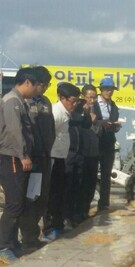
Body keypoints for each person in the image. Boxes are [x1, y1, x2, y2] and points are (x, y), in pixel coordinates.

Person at [0, 67, 38, 264]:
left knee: (19, 202)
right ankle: (2, 246)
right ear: (27, 82)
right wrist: (23, 155)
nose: (36, 90)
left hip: (15, 158)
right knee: (14, 203)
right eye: (35, 86)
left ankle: (11, 242)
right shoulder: (12, 101)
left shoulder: (20, 101)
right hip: (11, 157)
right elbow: (14, 131)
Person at [17, 66, 55, 251]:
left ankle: (33, 234)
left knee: (42, 198)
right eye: (44, 84)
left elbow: (51, 129)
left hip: (45, 155)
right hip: (31, 158)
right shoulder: (23, 101)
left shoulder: (46, 102)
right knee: (30, 198)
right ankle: (28, 237)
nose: (46, 88)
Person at [43, 82, 81, 242]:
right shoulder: (56, 113)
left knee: (60, 193)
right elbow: (47, 137)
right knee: (51, 194)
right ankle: (48, 228)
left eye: (77, 101)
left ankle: (57, 225)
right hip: (52, 158)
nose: (75, 104)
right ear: (61, 98)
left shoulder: (65, 113)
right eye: (72, 101)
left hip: (60, 158)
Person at [71, 84, 101, 222]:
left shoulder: (97, 108)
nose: (92, 100)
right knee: (80, 184)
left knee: (91, 183)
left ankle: (85, 211)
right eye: (89, 97)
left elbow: (98, 126)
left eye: (94, 98)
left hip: (94, 150)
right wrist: (88, 116)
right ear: (83, 96)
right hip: (81, 151)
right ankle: (76, 213)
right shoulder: (78, 108)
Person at [93, 78, 121, 212]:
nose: (109, 92)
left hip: (109, 141)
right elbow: (90, 121)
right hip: (95, 141)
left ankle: (104, 203)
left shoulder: (113, 106)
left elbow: (114, 122)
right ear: (101, 90)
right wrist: (102, 123)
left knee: (106, 174)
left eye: (111, 90)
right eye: (106, 89)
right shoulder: (94, 103)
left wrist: (115, 126)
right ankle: (87, 201)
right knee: (91, 172)